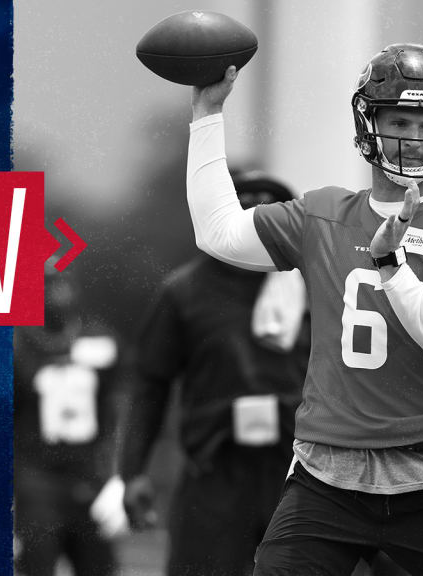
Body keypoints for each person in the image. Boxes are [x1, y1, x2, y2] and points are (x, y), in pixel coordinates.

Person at [184, 44, 423, 575]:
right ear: (369, 125)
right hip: (328, 476)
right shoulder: (323, 215)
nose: (414, 136)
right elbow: (218, 232)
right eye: (400, 120)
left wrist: (393, 267)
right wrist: (207, 116)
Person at [117, 170, 310, 576]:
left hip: (299, 470)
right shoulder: (185, 291)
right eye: (246, 205)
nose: (257, 216)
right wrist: (133, 471)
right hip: (216, 467)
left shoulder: (316, 284)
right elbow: (150, 385)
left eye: (269, 209)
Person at [14, 267, 122, 576]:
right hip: (36, 479)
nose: (55, 294)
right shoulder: (16, 344)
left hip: (90, 477)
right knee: (37, 566)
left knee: (99, 567)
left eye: (60, 284)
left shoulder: (99, 338)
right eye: (46, 285)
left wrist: (118, 476)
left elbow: (118, 408)